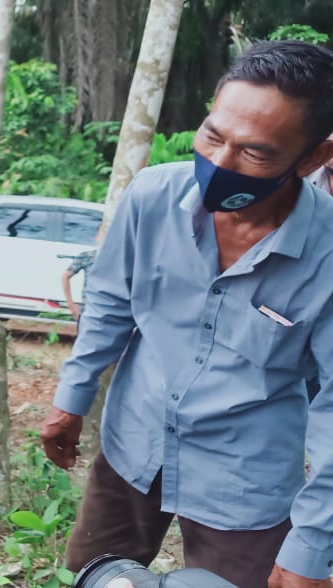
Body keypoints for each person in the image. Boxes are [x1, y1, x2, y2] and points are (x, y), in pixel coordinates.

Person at [38, 41, 333, 588]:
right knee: (97, 579)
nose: (219, 164)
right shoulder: (152, 197)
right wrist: (70, 399)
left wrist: (312, 545)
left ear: (313, 157)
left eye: (256, 153)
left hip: (245, 479)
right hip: (134, 443)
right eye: (213, 135)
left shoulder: (328, 254)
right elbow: (109, 303)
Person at [62, 248, 97, 322]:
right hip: (89, 311)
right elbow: (65, 276)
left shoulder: (120, 258)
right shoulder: (89, 256)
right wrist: (71, 305)